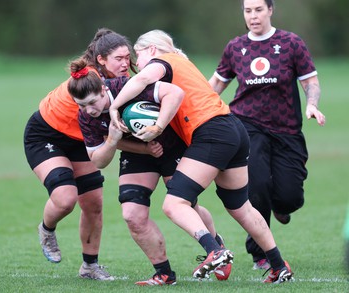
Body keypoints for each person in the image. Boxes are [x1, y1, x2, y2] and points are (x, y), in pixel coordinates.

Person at [109, 29, 293, 284]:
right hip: (233, 129)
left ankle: (215, 251)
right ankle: (278, 265)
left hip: (212, 133)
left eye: (137, 57)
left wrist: (114, 106)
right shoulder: (183, 63)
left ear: (151, 50)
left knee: (174, 204)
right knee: (241, 207)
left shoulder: (163, 61)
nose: (135, 65)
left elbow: (141, 81)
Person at [67, 59, 230, 285]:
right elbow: (98, 160)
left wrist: (158, 127)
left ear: (104, 88)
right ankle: (164, 273)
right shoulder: (85, 117)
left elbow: (174, 93)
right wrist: (115, 141)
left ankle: (216, 247)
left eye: (92, 102)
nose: (88, 110)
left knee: (186, 205)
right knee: (132, 215)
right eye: (81, 105)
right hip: (138, 155)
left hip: (172, 145)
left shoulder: (128, 88)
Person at [208, 0, 326, 270]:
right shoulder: (235, 47)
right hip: (247, 126)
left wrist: (312, 104)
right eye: (248, 11)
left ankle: (281, 205)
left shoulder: (291, 43)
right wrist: (196, 110)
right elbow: (216, 84)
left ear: (270, 10)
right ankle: (260, 253)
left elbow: (310, 81)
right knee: (256, 187)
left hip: (287, 130)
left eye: (258, 10)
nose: (253, 16)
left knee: (290, 197)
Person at [23, 28, 135, 280]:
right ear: (101, 60)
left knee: (94, 204)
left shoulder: (119, 82)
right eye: (119, 58)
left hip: (83, 141)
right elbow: (108, 136)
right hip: (47, 136)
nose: (125, 63)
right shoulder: (89, 82)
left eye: (128, 57)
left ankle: (90, 267)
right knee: (65, 199)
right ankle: (46, 228)